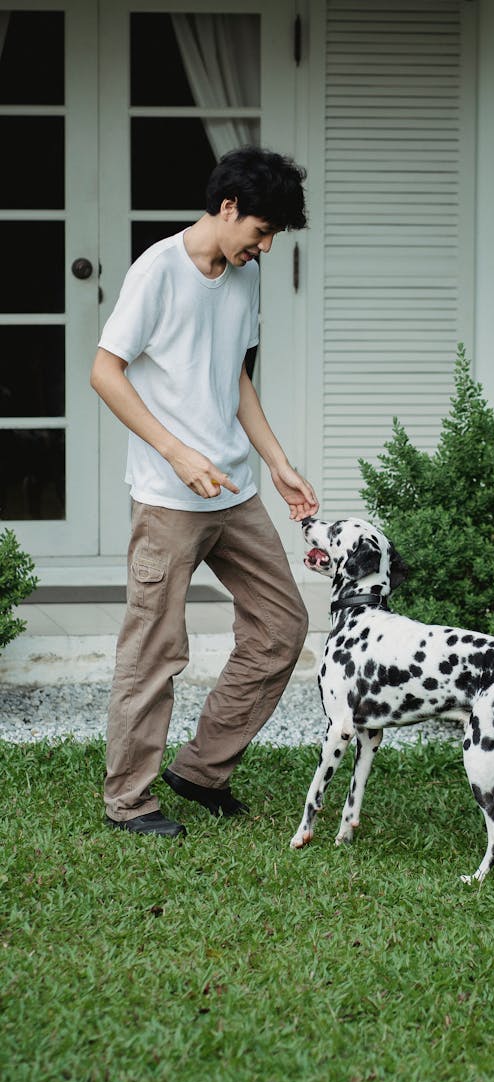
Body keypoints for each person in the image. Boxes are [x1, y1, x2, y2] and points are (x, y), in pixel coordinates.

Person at [91, 146, 318, 837]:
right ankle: (129, 799)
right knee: (154, 649)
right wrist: (177, 453)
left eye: (275, 234)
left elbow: (235, 377)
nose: (267, 246)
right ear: (228, 208)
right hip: (168, 496)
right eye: (261, 230)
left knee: (282, 628)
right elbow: (105, 372)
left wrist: (276, 461)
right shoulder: (157, 271)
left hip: (234, 491)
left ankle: (201, 769)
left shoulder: (245, 277)